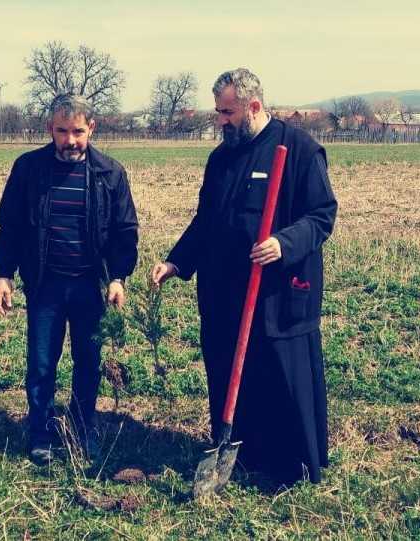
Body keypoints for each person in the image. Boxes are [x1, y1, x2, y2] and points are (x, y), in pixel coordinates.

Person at [151, 68, 337, 485]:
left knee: (277, 375)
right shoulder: (221, 158)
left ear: (253, 106)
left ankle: (289, 466)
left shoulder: (300, 150)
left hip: (277, 294)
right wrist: (176, 262)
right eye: (219, 112)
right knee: (228, 371)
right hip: (224, 292)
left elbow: (322, 215)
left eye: (228, 112)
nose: (221, 120)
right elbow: (206, 221)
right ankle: (240, 455)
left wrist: (283, 243)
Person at [0, 94, 139, 464]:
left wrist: (118, 277)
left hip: (90, 287)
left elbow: (124, 231)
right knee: (42, 364)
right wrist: (5, 274)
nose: (70, 140)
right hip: (45, 286)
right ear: (50, 129)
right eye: (62, 131)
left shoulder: (109, 174)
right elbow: (10, 226)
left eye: (77, 132)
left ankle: (81, 428)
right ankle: (40, 432)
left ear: (92, 128)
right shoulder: (28, 169)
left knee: (88, 362)